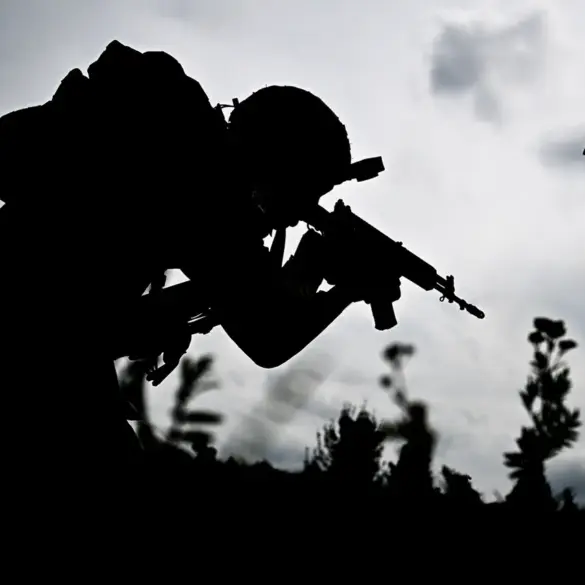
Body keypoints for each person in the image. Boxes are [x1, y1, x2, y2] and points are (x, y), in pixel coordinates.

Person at [0, 40, 401, 494]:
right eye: (306, 193)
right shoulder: (205, 184)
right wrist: (346, 289)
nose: (299, 214)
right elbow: (267, 335)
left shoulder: (185, 151)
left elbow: (89, 308)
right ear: (278, 164)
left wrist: (304, 273)